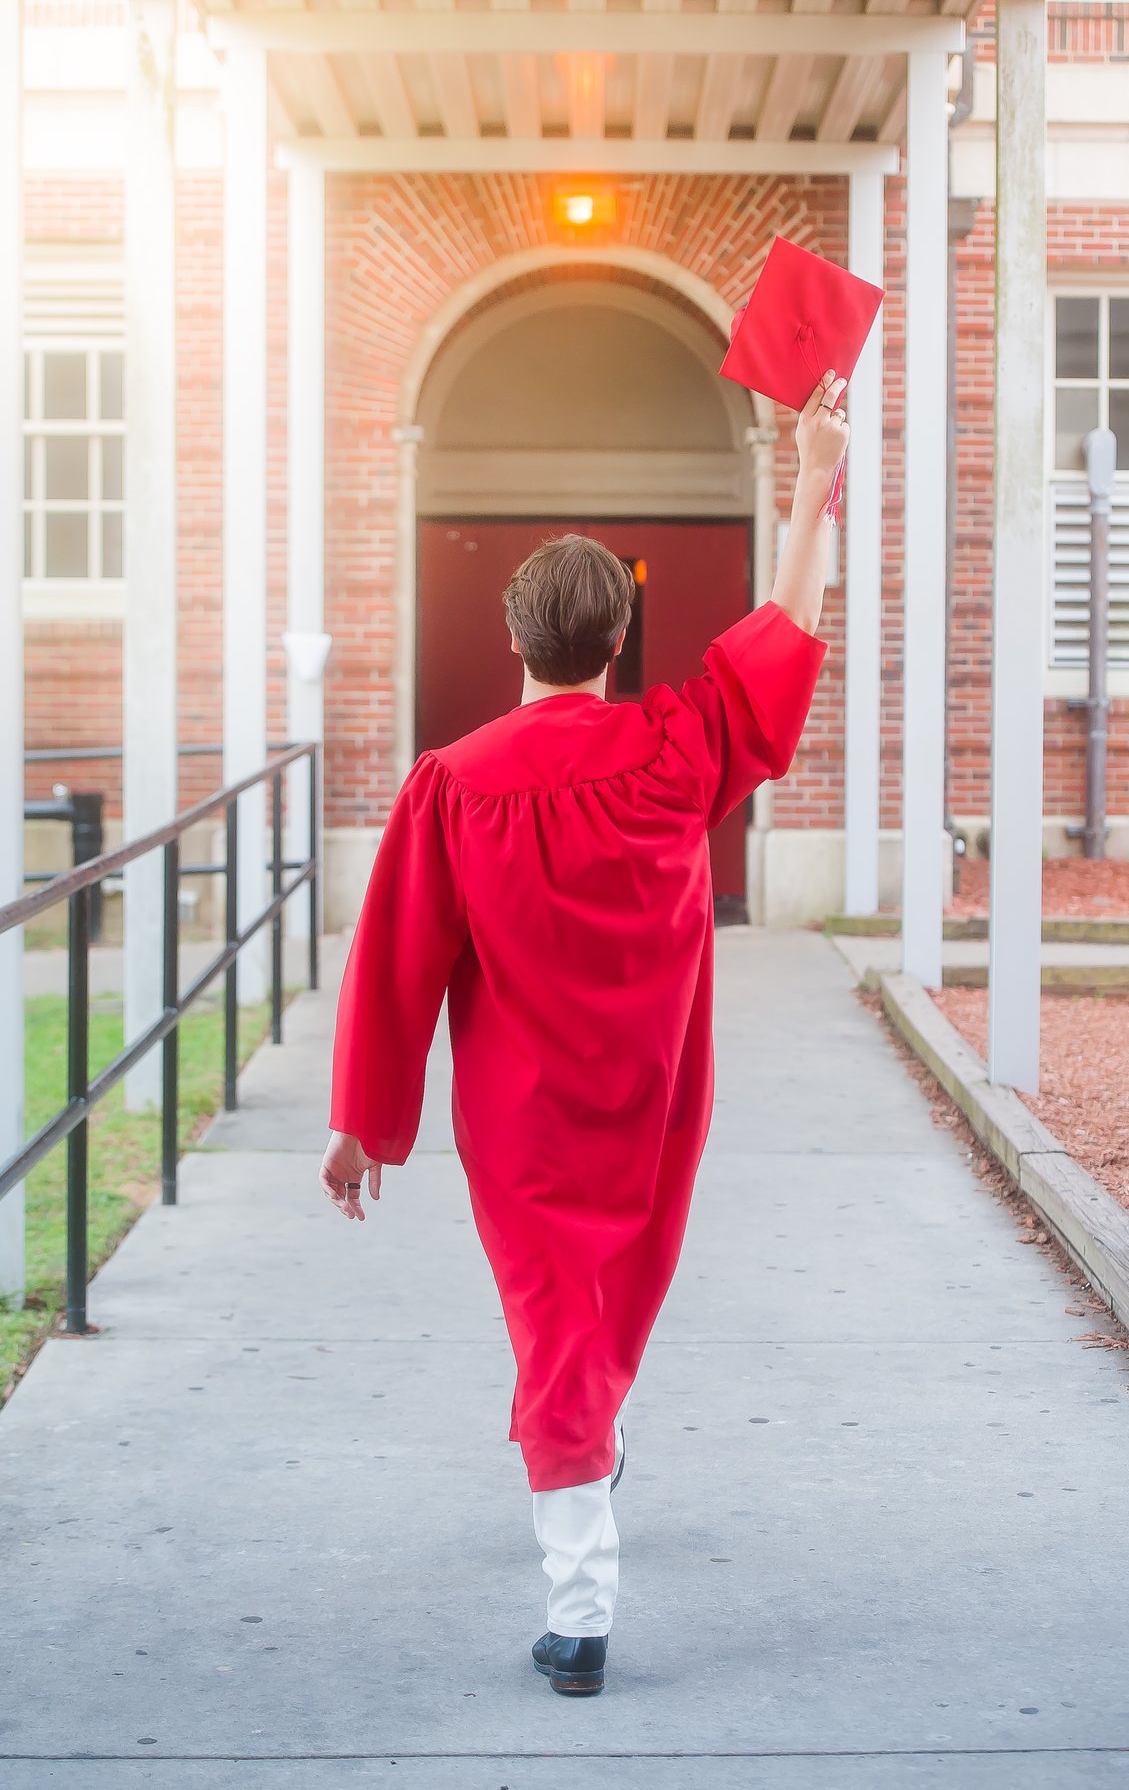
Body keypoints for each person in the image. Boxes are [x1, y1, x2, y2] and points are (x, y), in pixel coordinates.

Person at [320, 369, 850, 1696]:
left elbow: (397, 963)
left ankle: (582, 1604)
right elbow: (791, 617)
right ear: (620, 643)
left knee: (554, 1321)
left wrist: (361, 1124)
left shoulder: (453, 784)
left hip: (523, 1117)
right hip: (655, 1094)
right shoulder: (677, 749)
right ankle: (590, 1442)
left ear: (518, 639)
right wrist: (814, 470)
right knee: (604, 1304)